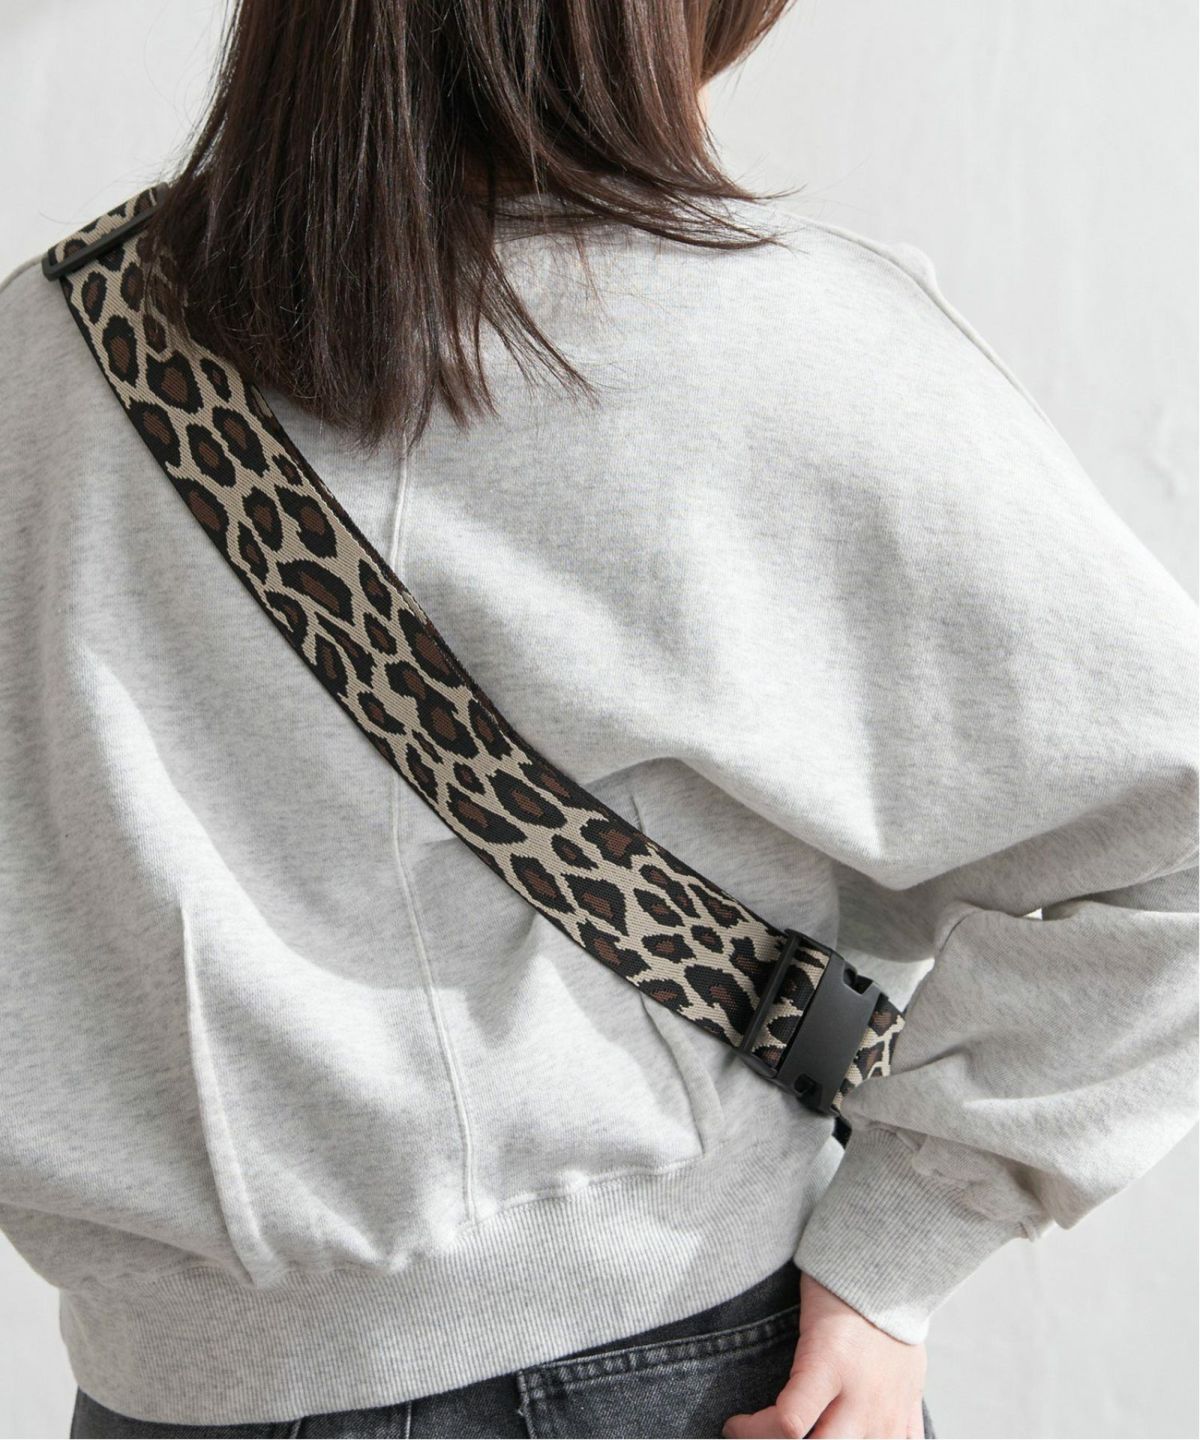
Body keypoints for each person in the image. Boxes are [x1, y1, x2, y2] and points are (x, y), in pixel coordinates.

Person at [0, 2, 1195, 1437]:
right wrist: (902, 1250)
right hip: (659, 1369)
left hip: (155, 1400)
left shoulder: (39, 355)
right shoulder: (763, 342)